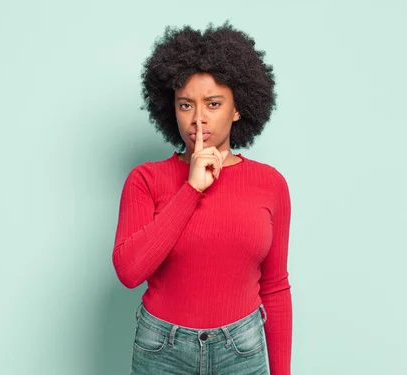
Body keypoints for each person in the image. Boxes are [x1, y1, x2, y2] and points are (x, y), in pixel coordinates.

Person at [112, 21, 292, 375]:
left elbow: (274, 288)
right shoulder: (146, 180)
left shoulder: (270, 184)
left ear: (238, 108)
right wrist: (191, 189)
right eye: (185, 105)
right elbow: (130, 271)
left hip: (242, 349)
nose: (198, 119)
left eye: (213, 104)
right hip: (161, 349)